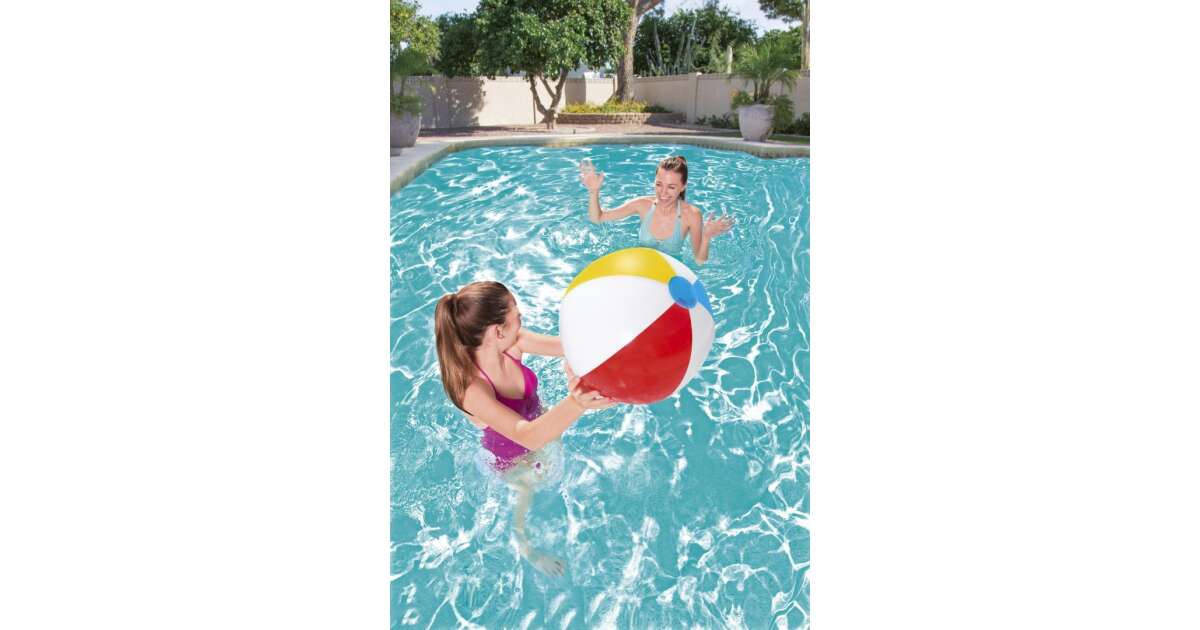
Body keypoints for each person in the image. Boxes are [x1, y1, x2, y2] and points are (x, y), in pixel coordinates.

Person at [433, 280, 613, 577]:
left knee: (554, 453)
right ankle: (528, 550)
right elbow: (525, 436)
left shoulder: (513, 343)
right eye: (517, 315)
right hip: (511, 458)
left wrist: (612, 339)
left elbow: (569, 347)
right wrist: (577, 402)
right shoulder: (472, 389)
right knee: (525, 496)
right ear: (497, 331)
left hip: (540, 426)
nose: (521, 319)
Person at [579, 155, 734, 263]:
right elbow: (598, 218)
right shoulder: (642, 205)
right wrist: (593, 191)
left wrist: (706, 237)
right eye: (659, 184)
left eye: (671, 187)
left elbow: (699, 260)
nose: (663, 193)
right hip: (642, 267)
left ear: (683, 187)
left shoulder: (692, 215)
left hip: (672, 275)